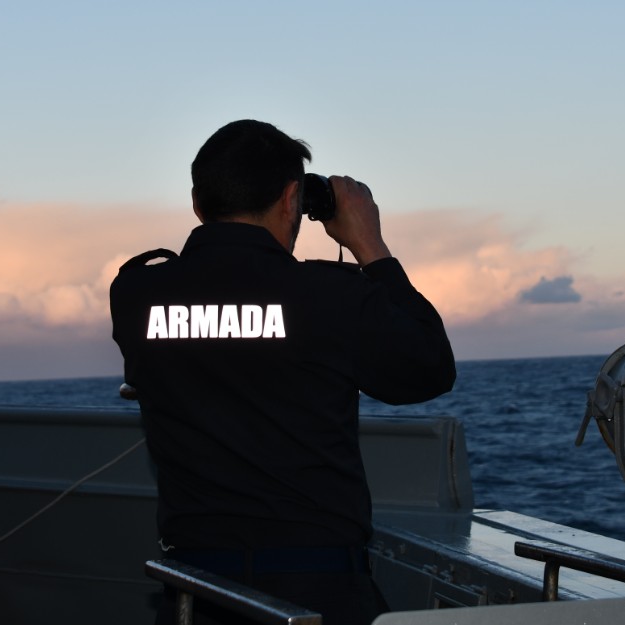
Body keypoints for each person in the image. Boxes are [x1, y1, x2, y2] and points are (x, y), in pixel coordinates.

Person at [110, 119, 456, 625]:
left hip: (194, 594)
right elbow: (428, 368)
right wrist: (370, 248)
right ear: (292, 198)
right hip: (317, 593)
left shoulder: (136, 294)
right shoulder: (330, 296)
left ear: (196, 202)